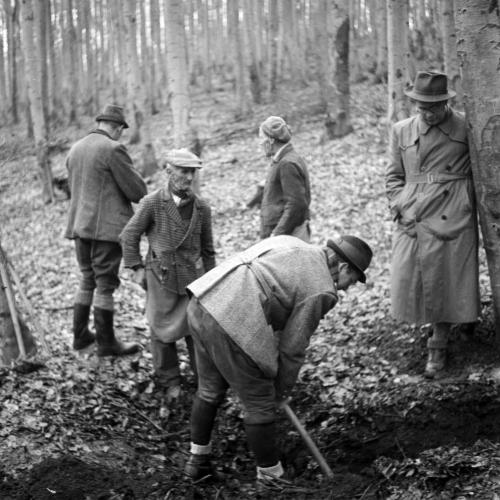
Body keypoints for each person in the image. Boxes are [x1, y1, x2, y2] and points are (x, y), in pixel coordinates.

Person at [182, 234, 373, 484]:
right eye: (353, 279)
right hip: (232, 317)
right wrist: (281, 390)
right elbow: (292, 347)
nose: (348, 287)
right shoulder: (322, 289)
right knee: (260, 403)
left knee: (208, 391)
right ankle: (272, 480)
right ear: (344, 267)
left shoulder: (291, 243)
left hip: (203, 299)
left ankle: (197, 462)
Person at [385, 70, 480, 378]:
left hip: (453, 212)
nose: (426, 113)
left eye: (433, 107)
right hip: (413, 213)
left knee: (448, 276)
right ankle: (450, 321)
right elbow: (393, 176)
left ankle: (438, 346)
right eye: (421, 107)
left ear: (445, 103)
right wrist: (398, 204)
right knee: (413, 278)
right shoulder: (401, 130)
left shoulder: (467, 125)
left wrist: (468, 202)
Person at [120, 149, 216, 401]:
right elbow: (129, 236)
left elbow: (208, 249)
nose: (189, 177)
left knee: (198, 331)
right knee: (162, 332)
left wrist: (213, 280)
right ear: (169, 172)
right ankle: (170, 380)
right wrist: (137, 269)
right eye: (183, 171)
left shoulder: (202, 207)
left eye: (192, 172)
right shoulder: (152, 202)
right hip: (160, 277)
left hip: (193, 280)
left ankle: (204, 382)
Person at [65, 104, 147, 356]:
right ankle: (107, 342)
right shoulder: (113, 149)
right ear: (115, 127)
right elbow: (137, 192)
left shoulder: (76, 148)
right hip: (105, 230)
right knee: (105, 284)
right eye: (121, 129)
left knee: (87, 278)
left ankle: (80, 337)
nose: (121, 134)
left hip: (79, 226)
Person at [258, 116, 311, 241]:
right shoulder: (283, 160)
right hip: (284, 236)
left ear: (271, 140)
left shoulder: (287, 163)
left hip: (289, 237)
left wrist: (277, 235)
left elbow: (296, 204)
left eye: (261, 138)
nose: (260, 143)